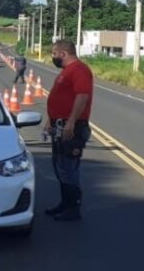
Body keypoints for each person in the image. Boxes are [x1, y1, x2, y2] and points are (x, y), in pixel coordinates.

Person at [44, 40, 93, 221]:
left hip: (72, 127)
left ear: (64, 53)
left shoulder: (79, 70)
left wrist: (71, 122)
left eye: (54, 53)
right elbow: (61, 99)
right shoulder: (66, 72)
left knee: (68, 168)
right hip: (60, 124)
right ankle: (64, 204)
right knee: (59, 166)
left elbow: (82, 96)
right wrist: (51, 119)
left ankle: (73, 208)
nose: (53, 57)